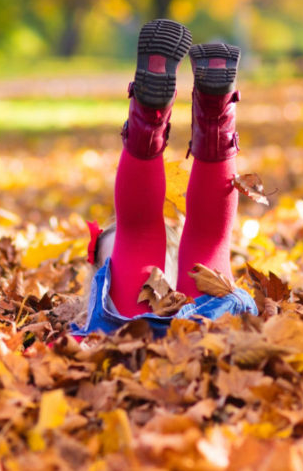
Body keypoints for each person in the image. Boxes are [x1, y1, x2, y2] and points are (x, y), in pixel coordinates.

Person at [72, 19, 258, 337]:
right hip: (205, 325)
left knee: (137, 234)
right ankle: (211, 112)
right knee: (205, 242)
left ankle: (154, 115)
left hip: (131, 324)